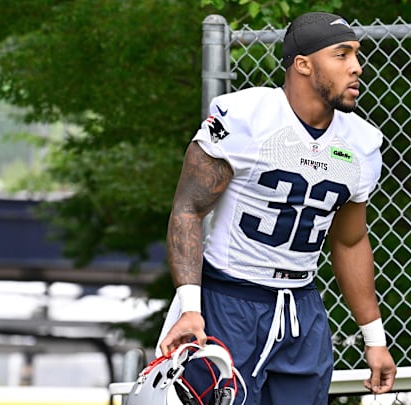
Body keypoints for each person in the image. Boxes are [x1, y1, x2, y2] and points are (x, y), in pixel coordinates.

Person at [156, 11, 397, 404]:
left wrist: (375, 339)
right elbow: (188, 211)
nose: (357, 67)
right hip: (228, 297)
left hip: (301, 305)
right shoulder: (247, 118)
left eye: (356, 54)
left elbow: (350, 242)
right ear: (302, 64)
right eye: (341, 54)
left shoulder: (362, 143)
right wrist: (190, 307)